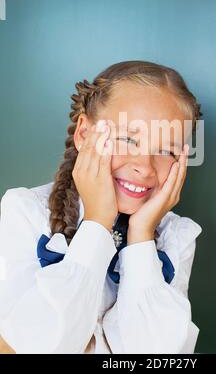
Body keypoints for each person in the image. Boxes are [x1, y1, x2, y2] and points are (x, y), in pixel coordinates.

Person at [0, 60, 203, 354]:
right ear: (84, 133)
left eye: (165, 150)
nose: (144, 167)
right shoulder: (24, 213)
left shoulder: (176, 238)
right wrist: (96, 223)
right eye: (126, 139)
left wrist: (142, 235)